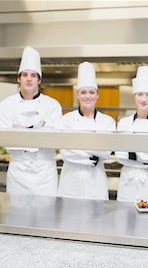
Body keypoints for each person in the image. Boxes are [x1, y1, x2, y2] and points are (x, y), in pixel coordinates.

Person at [0, 46, 62, 197]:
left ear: (39, 80)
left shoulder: (52, 105)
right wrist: (38, 130)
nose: (28, 79)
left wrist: (20, 130)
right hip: (18, 171)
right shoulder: (6, 105)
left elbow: (53, 139)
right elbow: (5, 140)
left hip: (45, 172)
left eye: (33, 75)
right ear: (18, 78)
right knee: (16, 217)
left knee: (46, 217)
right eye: (25, 75)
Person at [58, 62, 116, 199]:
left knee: (97, 218)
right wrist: (93, 153)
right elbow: (65, 152)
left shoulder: (107, 122)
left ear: (97, 95)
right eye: (83, 92)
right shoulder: (66, 119)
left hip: (96, 180)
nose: (87, 96)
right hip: (71, 180)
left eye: (91, 92)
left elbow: (106, 152)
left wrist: (77, 148)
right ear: (77, 94)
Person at [115, 66, 148, 202]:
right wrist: (146, 155)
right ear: (134, 96)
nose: (144, 99)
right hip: (128, 180)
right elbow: (119, 155)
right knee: (124, 218)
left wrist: (133, 154)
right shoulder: (124, 123)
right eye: (140, 94)